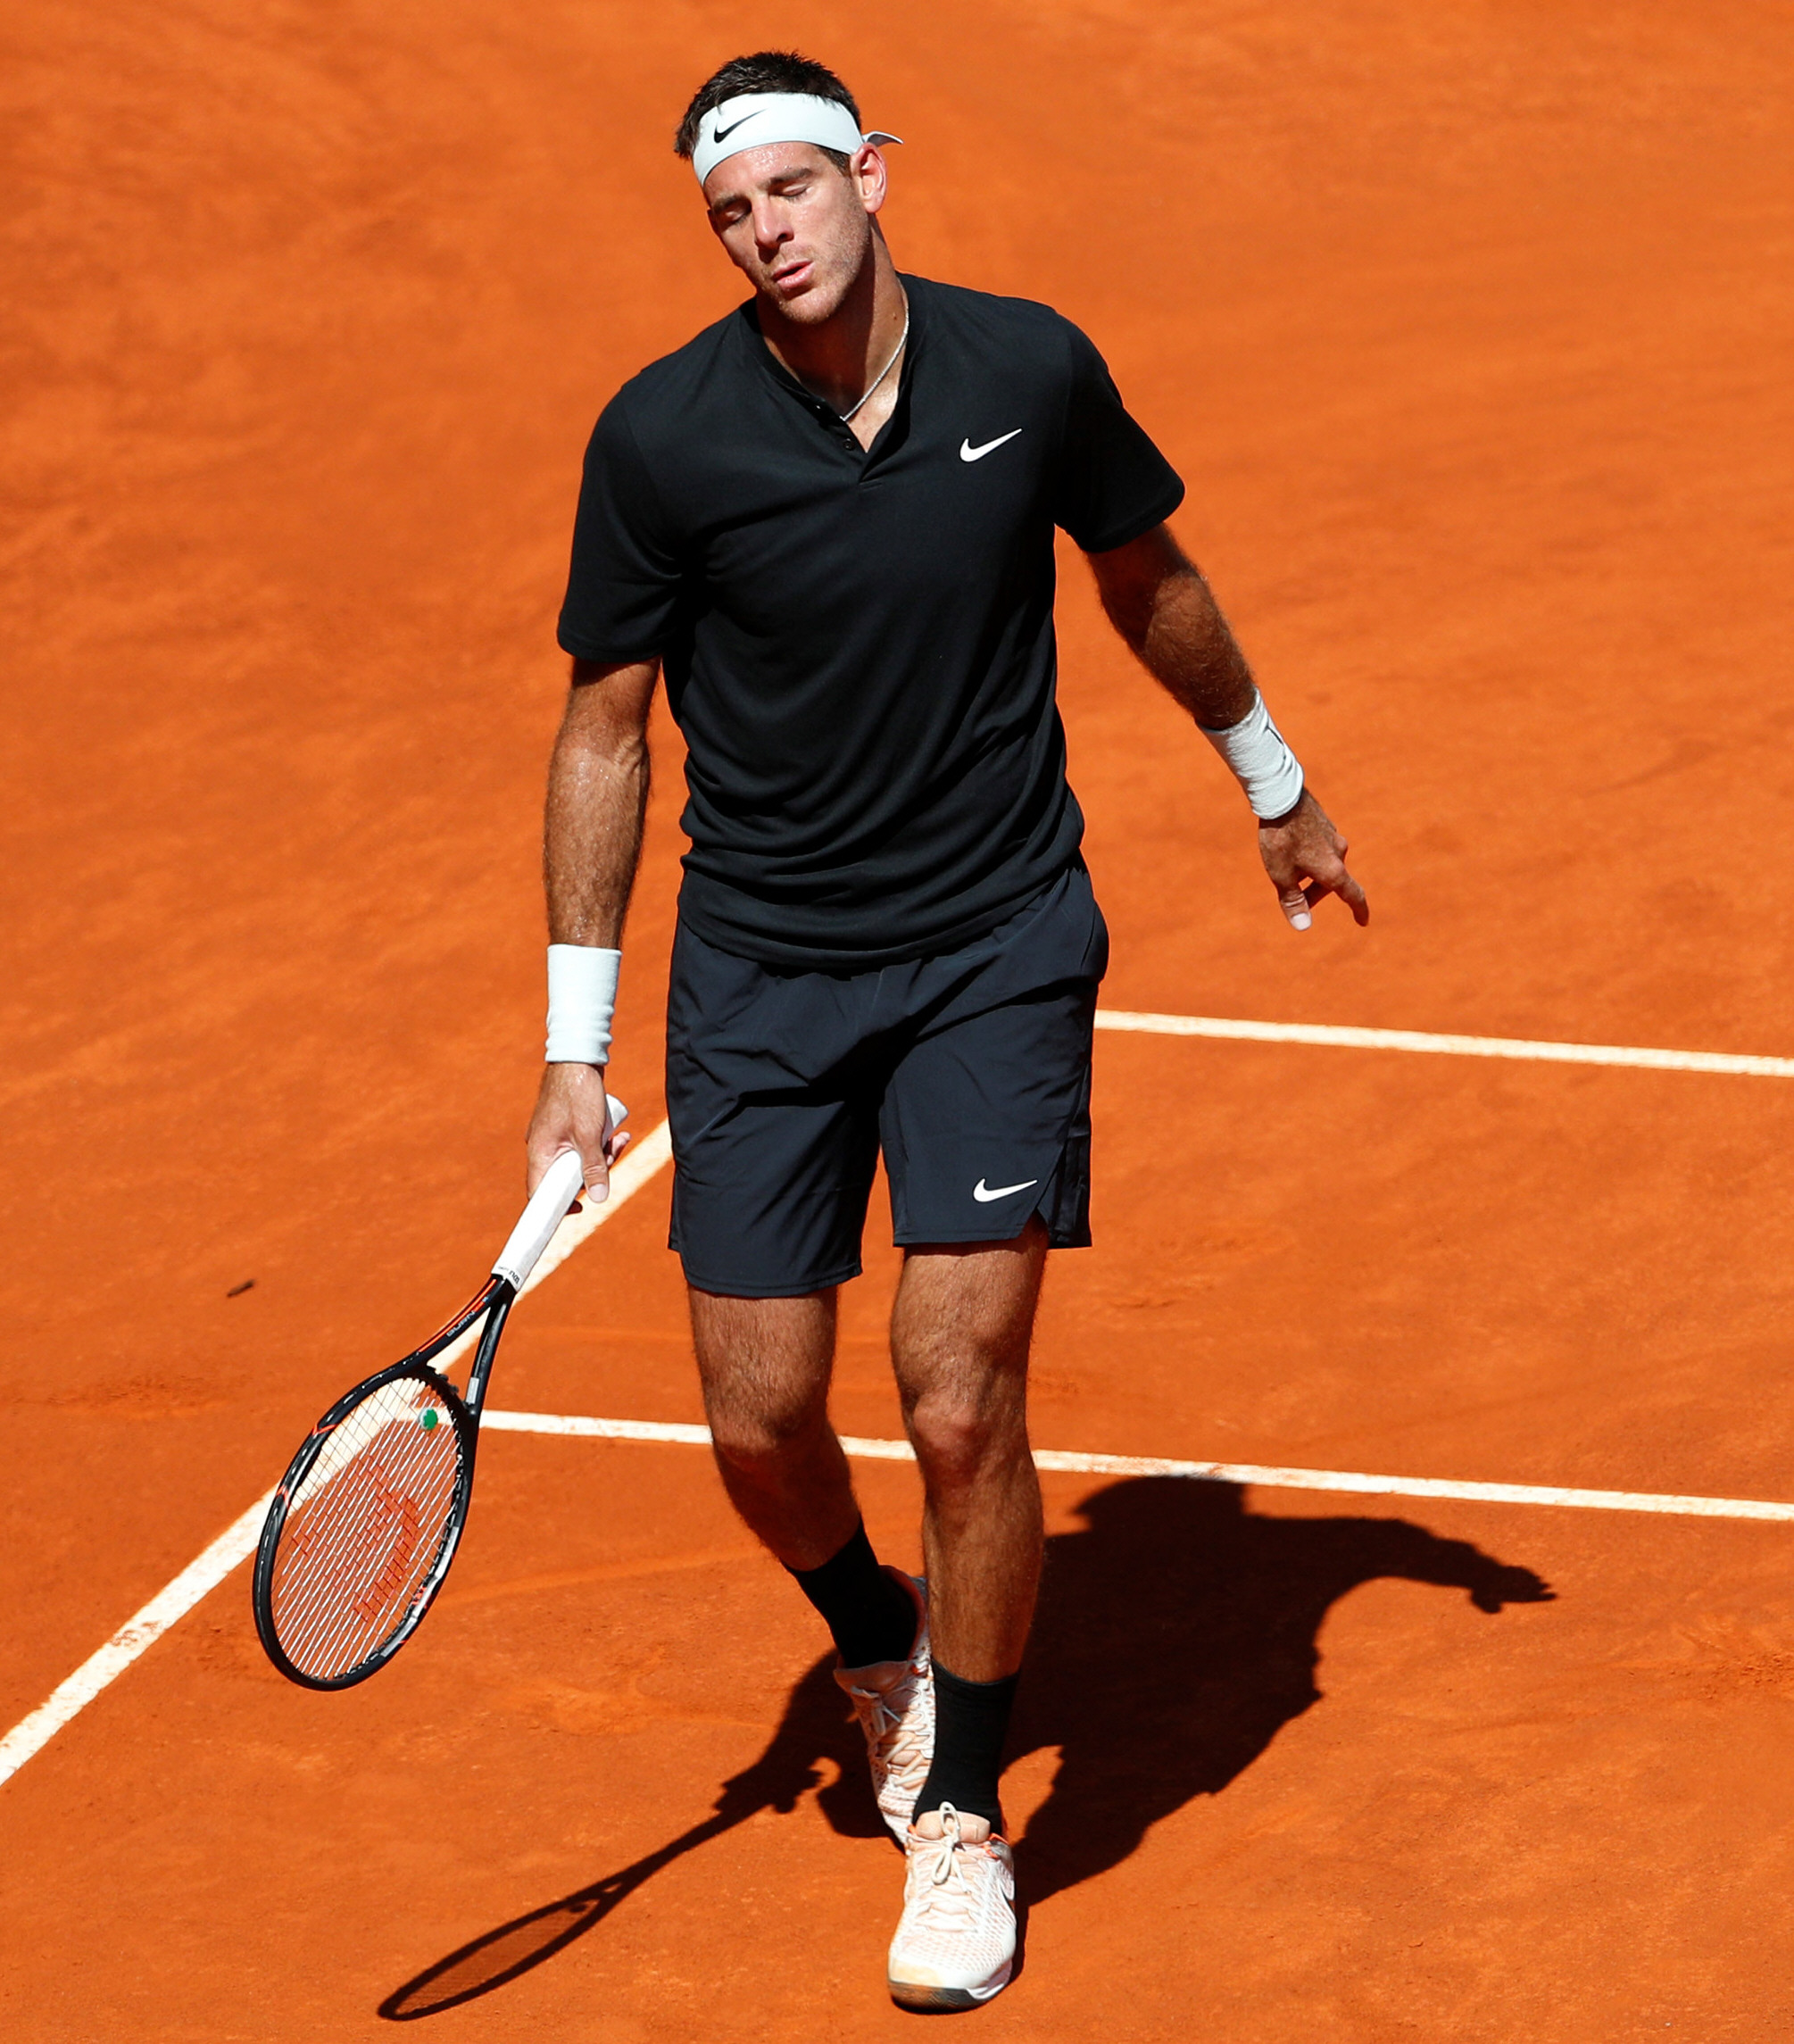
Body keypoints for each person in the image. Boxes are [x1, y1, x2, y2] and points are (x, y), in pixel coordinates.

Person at [525, 49, 1368, 2013]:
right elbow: (602, 732)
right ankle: (876, 1631)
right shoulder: (661, 437)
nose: (770, 233)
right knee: (758, 1417)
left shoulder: (1028, 369)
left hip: (994, 942)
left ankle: (968, 1814)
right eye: (734, 214)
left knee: (959, 1394)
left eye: (796, 190)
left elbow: (1147, 576)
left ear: (873, 176)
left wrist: (1272, 781)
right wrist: (576, 1039)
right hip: (763, 972)